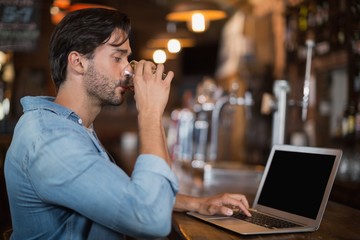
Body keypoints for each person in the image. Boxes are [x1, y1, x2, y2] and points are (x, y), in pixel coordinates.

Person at [4, 7, 251, 240]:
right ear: (78, 62)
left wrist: (198, 203)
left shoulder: (69, 125)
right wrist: (150, 112)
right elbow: (149, 219)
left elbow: (119, 195)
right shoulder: (51, 139)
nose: (127, 70)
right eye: (117, 57)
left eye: (127, 58)